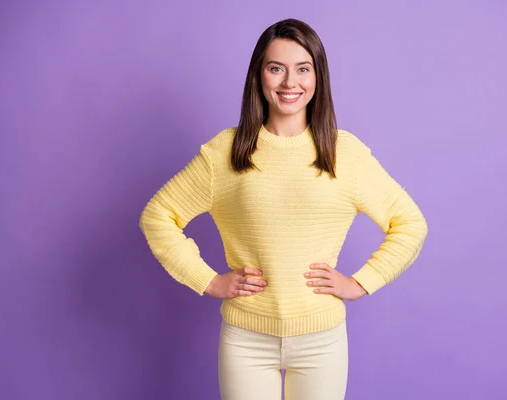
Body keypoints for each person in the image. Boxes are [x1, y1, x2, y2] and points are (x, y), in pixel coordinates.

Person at [139, 18, 428, 400]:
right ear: (259, 77)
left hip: (321, 342)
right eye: (277, 68)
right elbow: (158, 215)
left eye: (303, 69)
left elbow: (410, 223)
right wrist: (208, 280)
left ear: (318, 77)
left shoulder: (347, 154)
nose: (290, 83)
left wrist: (360, 283)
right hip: (246, 340)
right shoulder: (225, 152)